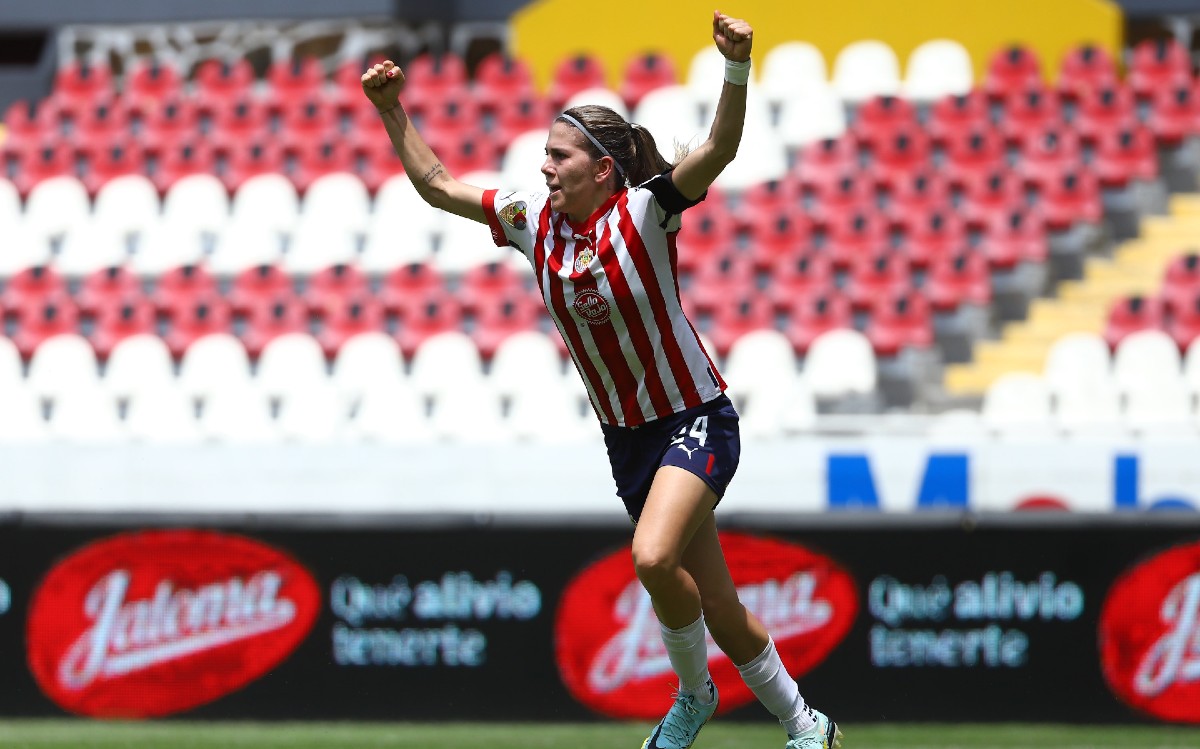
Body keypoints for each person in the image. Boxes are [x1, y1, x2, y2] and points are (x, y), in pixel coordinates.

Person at [362, 10, 842, 749]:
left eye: (558, 156)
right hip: (630, 441)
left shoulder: (648, 212)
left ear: (601, 169)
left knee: (652, 557)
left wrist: (736, 66)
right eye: (544, 156)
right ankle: (808, 726)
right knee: (717, 603)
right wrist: (392, 109)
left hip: (695, 416)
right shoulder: (530, 219)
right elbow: (437, 184)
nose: (544, 168)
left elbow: (718, 148)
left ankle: (692, 697)